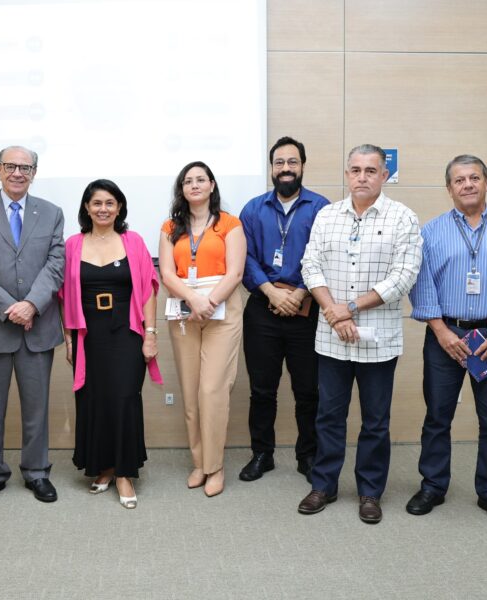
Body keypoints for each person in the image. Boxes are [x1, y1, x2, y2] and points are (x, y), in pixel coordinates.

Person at [406, 155, 487, 527]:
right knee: (437, 417)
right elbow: (422, 284)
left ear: (486, 183)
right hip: (445, 336)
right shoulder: (430, 232)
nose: (467, 184)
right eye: (459, 180)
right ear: (449, 189)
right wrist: (442, 333)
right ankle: (433, 486)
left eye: (474, 177)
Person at [298, 144, 422, 524]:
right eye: (355, 170)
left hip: (378, 340)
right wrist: (335, 315)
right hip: (331, 337)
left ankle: (370, 492)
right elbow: (310, 265)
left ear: (384, 175)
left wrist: (349, 308)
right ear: (347, 174)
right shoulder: (327, 215)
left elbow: (403, 278)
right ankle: (324, 484)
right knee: (329, 416)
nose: (362, 177)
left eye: (371, 170)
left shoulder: (403, 218)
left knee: (375, 421)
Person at [0, 145, 65, 506]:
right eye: (10, 166)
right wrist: (9, 307)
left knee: (37, 408)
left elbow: (56, 263)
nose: (17, 172)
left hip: (37, 326)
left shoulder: (51, 213)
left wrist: (32, 304)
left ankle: (37, 472)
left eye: (25, 167)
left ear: (34, 172)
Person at [59, 179, 162, 509]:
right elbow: (63, 296)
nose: (103, 209)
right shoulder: (73, 245)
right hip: (88, 333)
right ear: (86, 208)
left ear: (120, 208)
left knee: (124, 398)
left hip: (126, 331)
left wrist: (150, 334)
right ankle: (102, 467)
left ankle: (124, 473)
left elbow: (147, 291)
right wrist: (68, 338)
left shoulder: (133, 241)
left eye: (110, 203)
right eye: (96, 203)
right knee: (93, 400)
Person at [238, 136, 329, 484]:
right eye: (279, 162)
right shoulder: (253, 209)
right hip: (263, 309)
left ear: (303, 166)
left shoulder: (322, 208)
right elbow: (244, 257)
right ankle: (262, 454)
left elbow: (326, 257)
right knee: (262, 389)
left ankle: (308, 455)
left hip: (308, 310)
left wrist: (301, 292)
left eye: (292, 162)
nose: (286, 168)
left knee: (308, 390)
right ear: (271, 168)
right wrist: (269, 292)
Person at [159, 161, 246, 498]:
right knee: (192, 391)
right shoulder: (170, 227)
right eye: (187, 181)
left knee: (212, 390)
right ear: (182, 189)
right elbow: (167, 274)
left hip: (221, 311)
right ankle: (199, 462)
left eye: (200, 180)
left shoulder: (230, 223)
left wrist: (208, 302)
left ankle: (216, 465)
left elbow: (235, 273)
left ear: (211, 185)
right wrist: (193, 299)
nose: (194, 185)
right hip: (184, 309)